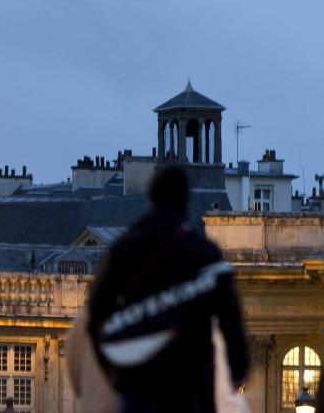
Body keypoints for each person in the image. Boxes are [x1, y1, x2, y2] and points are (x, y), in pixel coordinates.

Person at [87, 166, 249, 413]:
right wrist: (237, 372)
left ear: (151, 199)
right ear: (186, 201)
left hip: (137, 384)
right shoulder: (204, 253)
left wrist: (112, 369)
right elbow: (231, 322)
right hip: (188, 384)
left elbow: (96, 315)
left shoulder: (124, 250)